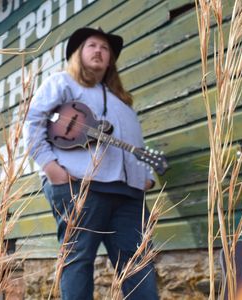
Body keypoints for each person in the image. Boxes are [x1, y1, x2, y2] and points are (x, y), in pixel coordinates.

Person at [23, 27, 159, 300]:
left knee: (139, 263)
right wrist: (51, 167)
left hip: (128, 193)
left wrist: (147, 176)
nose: (99, 51)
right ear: (78, 54)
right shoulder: (62, 83)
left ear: (110, 60)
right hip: (80, 186)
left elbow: (137, 146)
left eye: (105, 48)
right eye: (92, 45)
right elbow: (33, 120)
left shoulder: (124, 103)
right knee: (78, 260)